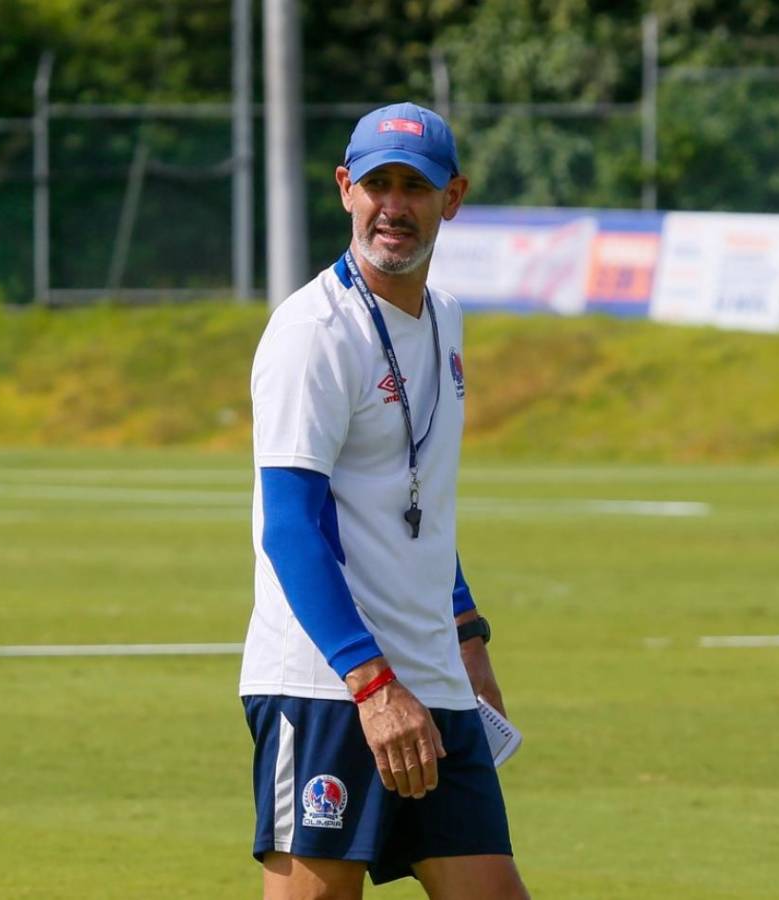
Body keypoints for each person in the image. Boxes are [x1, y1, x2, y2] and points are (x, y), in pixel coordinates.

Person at [241, 101, 529, 900]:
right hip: (329, 685)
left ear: (453, 198)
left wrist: (467, 638)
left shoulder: (447, 320)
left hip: (432, 679)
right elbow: (292, 529)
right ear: (345, 189)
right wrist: (371, 684)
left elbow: (421, 501)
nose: (393, 206)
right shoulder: (312, 332)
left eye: (415, 186)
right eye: (377, 184)